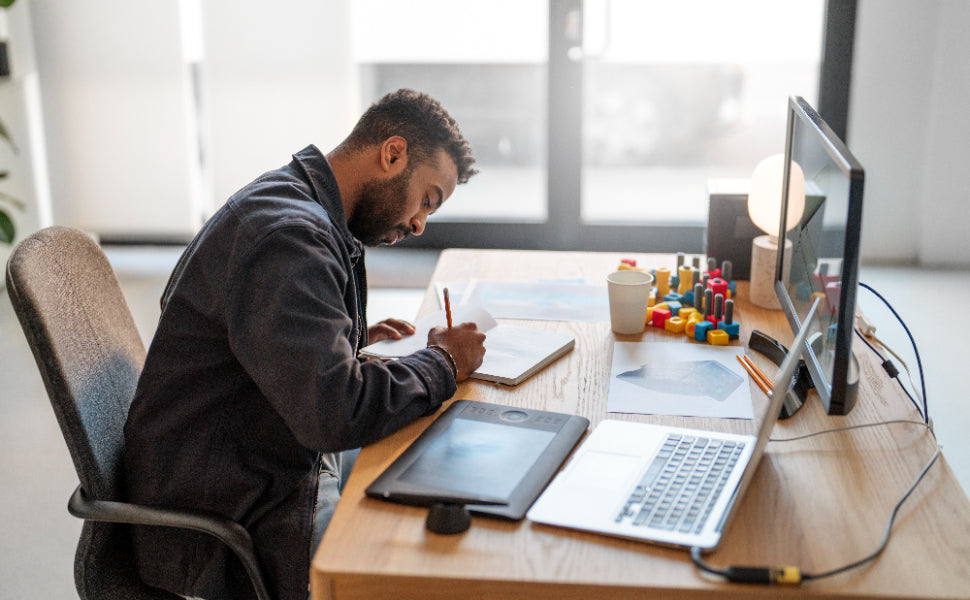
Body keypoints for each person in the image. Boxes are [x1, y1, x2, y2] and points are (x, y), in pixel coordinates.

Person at [123, 89, 486, 600]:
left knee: (434, 456)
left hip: (260, 456)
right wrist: (443, 360)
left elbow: (257, 337)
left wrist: (339, 337)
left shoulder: (294, 199)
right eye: (427, 199)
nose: (419, 224)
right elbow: (335, 414)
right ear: (392, 153)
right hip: (234, 516)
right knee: (428, 566)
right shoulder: (290, 237)